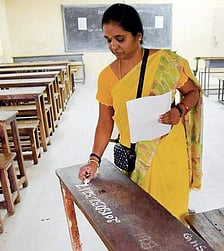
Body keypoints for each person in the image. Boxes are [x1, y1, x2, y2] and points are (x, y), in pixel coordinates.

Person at [78, 3, 203, 223]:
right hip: (133, 157)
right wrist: (93, 160)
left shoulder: (166, 63)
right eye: (108, 40)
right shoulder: (106, 77)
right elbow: (105, 121)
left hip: (167, 153)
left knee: (172, 219)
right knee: (138, 222)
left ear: (138, 36)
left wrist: (179, 110)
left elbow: (192, 92)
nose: (113, 46)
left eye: (120, 38)